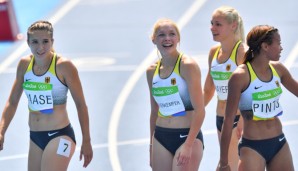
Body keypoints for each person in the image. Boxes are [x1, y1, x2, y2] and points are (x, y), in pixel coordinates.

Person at [0, 20, 93, 170]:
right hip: (35, 137)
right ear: (28, 42)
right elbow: (12, 101)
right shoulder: (24, 65)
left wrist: (86, 140)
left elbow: (81, 105)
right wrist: (1, 131)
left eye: (45, 41)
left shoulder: (64, 66)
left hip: (60, 136)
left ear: (52, 41)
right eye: (35, 42)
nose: (40, 47)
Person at [218, 25, 297, 171]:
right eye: (278, 43)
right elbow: (228, 121)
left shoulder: (278, 69)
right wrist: (223, 162)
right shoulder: (240, 76)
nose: (281, 48)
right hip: (253, 147)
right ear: (265, 46)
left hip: (279, 143)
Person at [146, 18, 205, 171]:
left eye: (172, 34)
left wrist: (188, 145)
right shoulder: (151, 71)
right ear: (153, 39)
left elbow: (200, 110)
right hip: (161, 136)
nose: (167, 38)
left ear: (178, 39)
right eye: (161, 35)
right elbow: (154, 111)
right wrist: (151, 144)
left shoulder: (187, 66)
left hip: (186, 136)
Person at [203, 6, 246, 171]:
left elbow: (249, 89)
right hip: (220, 117)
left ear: (233, 25)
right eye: (212, 23)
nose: (212, 28)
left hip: (236, 118)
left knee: (227, 165)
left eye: (218, 24)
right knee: (227, 165)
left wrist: (243, 118)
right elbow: (208, 90)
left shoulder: (242, 52)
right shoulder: (214, 52)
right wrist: (193, 112)